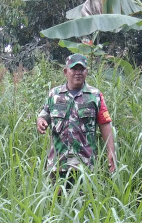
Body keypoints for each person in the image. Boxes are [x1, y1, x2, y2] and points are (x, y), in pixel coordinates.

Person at [36, 53, 116, 181]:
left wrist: (111, 151)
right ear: (65, 71)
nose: (78, 72)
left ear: (87, 71)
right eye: (74, 69)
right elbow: (43, 116)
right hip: (58, 164)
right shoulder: (54, 94)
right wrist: (41, 122)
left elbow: (105, 123)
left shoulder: (95, 96)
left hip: (86, 165)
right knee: (57, 200)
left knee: (86, 201)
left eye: (82, 69)